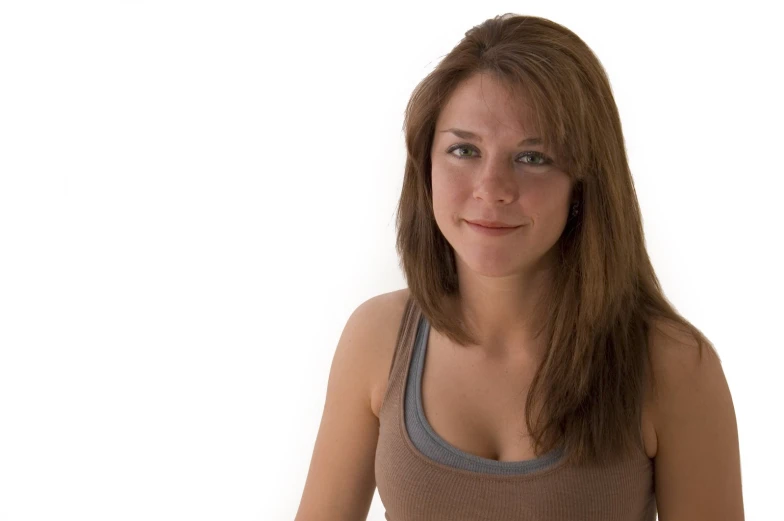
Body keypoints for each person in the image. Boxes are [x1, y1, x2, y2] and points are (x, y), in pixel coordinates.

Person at [294, 13, 744, 521]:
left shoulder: (674, 366)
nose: (491, 188)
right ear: (426, 166)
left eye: (532, 158)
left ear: (584, 182)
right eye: (464, 150)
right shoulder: (377, 338)